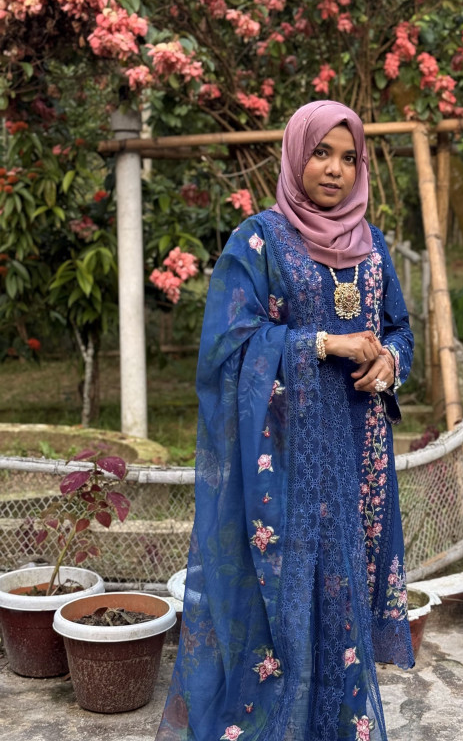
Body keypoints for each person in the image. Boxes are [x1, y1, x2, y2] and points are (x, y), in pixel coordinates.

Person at [156, 100, 414, 741]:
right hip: (282, 462)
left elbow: (399, 330)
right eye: (321, 153)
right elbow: (227, 347)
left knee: (343, 599)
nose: (335, 169)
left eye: (349, 157)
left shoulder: (373, 245)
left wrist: (389, 362)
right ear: (297, 155)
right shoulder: (259, 240)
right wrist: (323, 344)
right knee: (279, 602)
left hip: (355, 456)